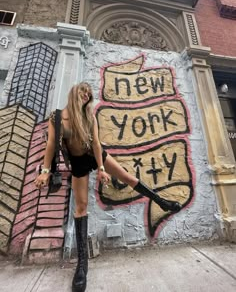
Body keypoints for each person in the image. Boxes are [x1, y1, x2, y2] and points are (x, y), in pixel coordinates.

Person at [34, 82, 182, 292]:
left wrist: (102, 168)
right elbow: (51, 145)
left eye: (89, 93)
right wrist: (45, 171)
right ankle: (82, 266)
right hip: (77, 163)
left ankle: (161, 201)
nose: (86, 95)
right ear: (74, 93)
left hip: (94, 155)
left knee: (126, 176)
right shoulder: (57, 117)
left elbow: (96, 144)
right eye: (82, 91)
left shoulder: (89, 117)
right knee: (81, 207)